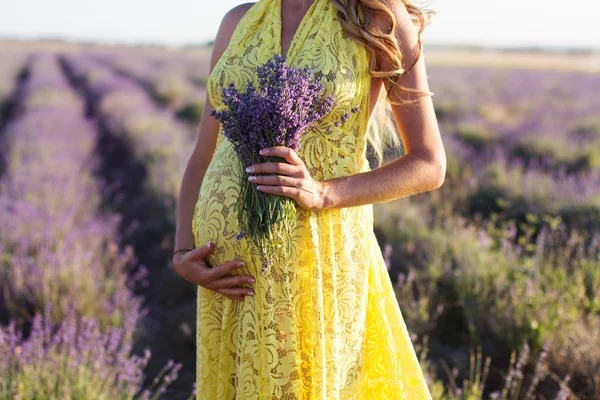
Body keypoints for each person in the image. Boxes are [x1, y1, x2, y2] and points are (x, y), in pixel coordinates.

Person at [173, 0, 445, 398]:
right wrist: (182, 250)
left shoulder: (377, 18)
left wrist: (323, 192)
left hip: (314, 265)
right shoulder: (238, 20)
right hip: (230, 277)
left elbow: (429, 164)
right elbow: (204, 153)